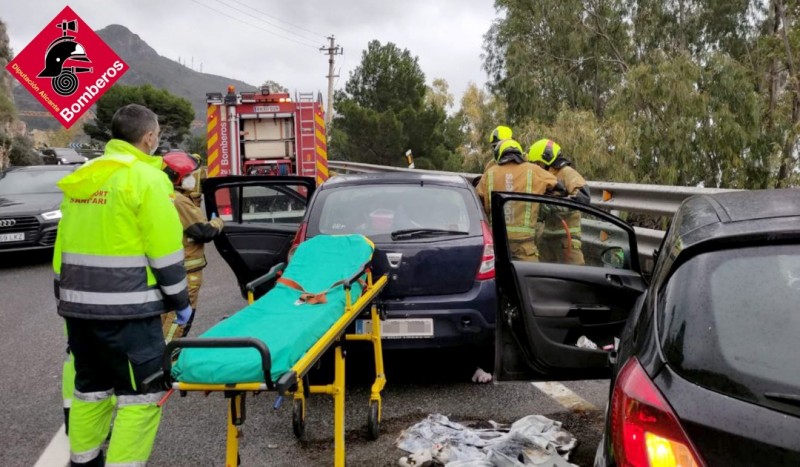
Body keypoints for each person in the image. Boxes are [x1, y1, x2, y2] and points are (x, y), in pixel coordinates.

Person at [54, 104, 191, 467]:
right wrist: (180, 300)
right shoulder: (146, 180)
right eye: (157, 133)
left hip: (79, 312)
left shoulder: (85, 176)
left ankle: (83, 461)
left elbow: (62, 246)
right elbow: (164, 251)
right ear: (148, 137)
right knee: (142, 397)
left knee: (90, 391)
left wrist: (65, 297)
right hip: (128, 313)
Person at [160, 151, 224, 340]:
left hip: (169, 268)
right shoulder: (179, 201)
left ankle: (163, 356)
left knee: (166, 315)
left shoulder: (166, 195)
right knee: (178, 319)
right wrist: (219, 223)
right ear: (176, 177)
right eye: (188, 175)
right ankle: (166, 358)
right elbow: (203, 231)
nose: (191, 179)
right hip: (186, 272)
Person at [476, 139, 561, 262]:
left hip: (497, 246)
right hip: (525, 248)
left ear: (499, 154)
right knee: (530, 280)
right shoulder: (535, 171)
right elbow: (560, 188)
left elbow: (478, 203)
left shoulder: (489, 174)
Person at [527, 139, 590, 265]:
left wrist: (558, 206)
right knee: (545, 277)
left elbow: (584, 197)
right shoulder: (543, 175)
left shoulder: (567, 173)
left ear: (546, 159)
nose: (536, 166)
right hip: (547, 237)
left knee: (576, 277)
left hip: (566, 239)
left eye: (537, 163)